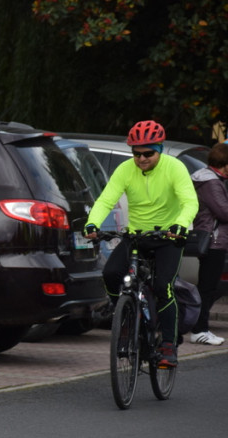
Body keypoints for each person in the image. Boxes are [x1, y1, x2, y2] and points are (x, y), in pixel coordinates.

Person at [83, 120, 199, 367]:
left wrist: (181, 223)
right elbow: (105, 199)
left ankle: (168, 345)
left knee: (163, 287)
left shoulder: (175, 168)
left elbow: (190, 201)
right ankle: (124, 317)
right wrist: (92, 223)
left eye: (148, 153)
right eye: (136, 154)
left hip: (169, 237)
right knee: (111, 273)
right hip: (137, 236)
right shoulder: (125, 169)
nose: (142, 159)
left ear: (160, 148)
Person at [188, 142, 228, 345]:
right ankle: (199, 329)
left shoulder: (211, 179)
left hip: (214, 240)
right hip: (213, 240)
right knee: (207, 287)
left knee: (208, 286)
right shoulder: (211, 183)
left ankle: (200, 327)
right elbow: (223, 212)